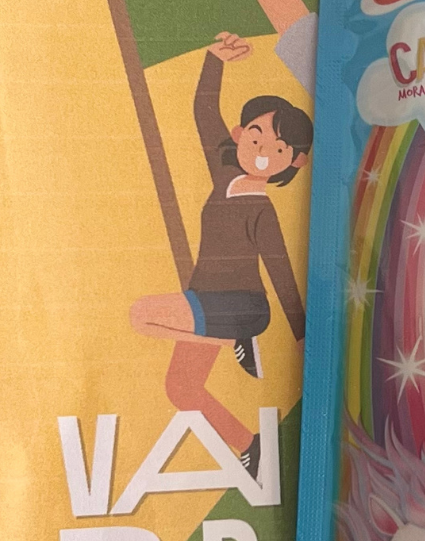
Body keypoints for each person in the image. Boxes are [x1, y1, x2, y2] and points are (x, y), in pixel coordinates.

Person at [130, 33, 312, 479]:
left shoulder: (262, 210)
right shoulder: (224, 174)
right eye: (256, 136)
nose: (262, 151)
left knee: (141, 315)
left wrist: (301, 336)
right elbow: (204, 110)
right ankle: (250, 444)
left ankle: (235, 337)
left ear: (294, 162)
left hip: (241, 307)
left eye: (278, 149)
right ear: (239, 134)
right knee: (181, 388)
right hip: (207, 300)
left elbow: (281, 273)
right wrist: (215, 59)